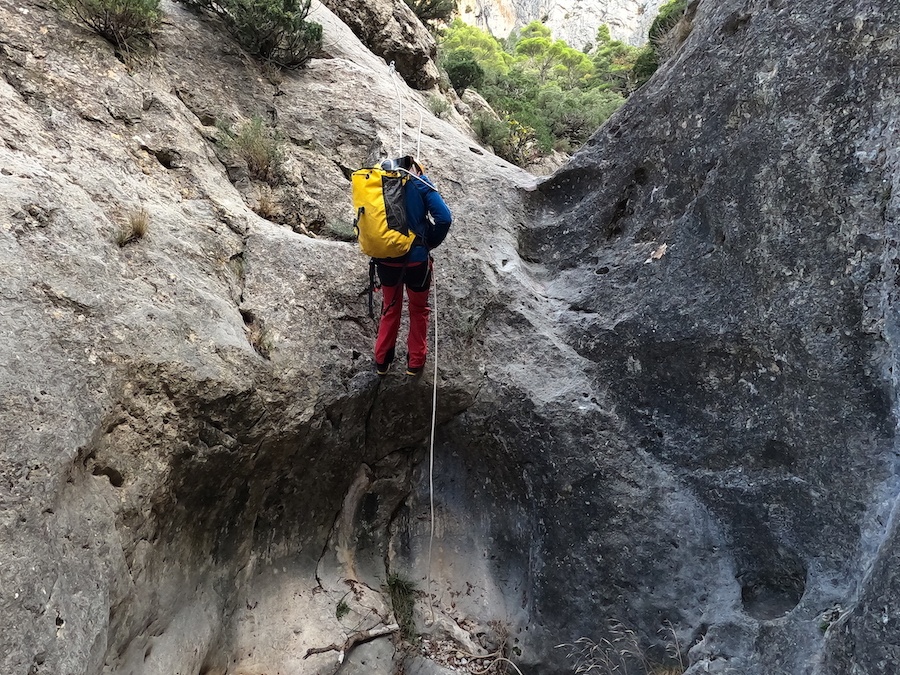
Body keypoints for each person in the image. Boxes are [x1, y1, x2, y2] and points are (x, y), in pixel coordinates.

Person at [374, 156, 452, 376]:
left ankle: (382, 361)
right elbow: (444, 218)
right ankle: (415, 363)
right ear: (412, 169)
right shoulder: (420, 183)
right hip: (417, 260)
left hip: (387, 259)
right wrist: (428, 243)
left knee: (390, 308)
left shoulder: (377, 185)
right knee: (418, 309)